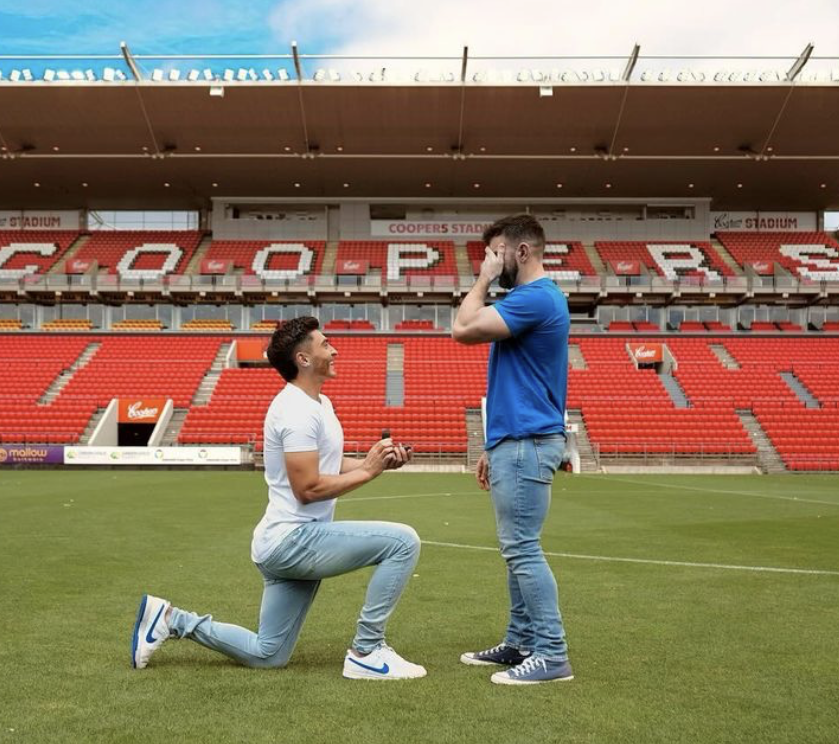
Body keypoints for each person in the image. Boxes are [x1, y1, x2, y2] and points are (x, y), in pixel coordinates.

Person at [131, 316, 426, 679]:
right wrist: (368, 472)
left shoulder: (319, 404)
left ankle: (171, 620)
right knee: (403, 542)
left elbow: (328, 464)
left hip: (284, 543)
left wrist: (375, 462)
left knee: (268, 654)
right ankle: (367, 651)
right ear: (303, 359)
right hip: (293, 540)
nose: (334, 349)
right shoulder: (295, 411)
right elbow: (309, 489)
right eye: (325, 344)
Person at [451, 214, 574, 685]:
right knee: (516, 548)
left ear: (521, 252)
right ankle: (522, 640)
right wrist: (492, 444)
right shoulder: (532, 299)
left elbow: (461, 329)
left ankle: (552, 653)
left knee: (522, 548)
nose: (490, 261)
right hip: (514, 439)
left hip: (526, 441)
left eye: (496, 252)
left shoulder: (535, 298)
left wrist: (482, 279)